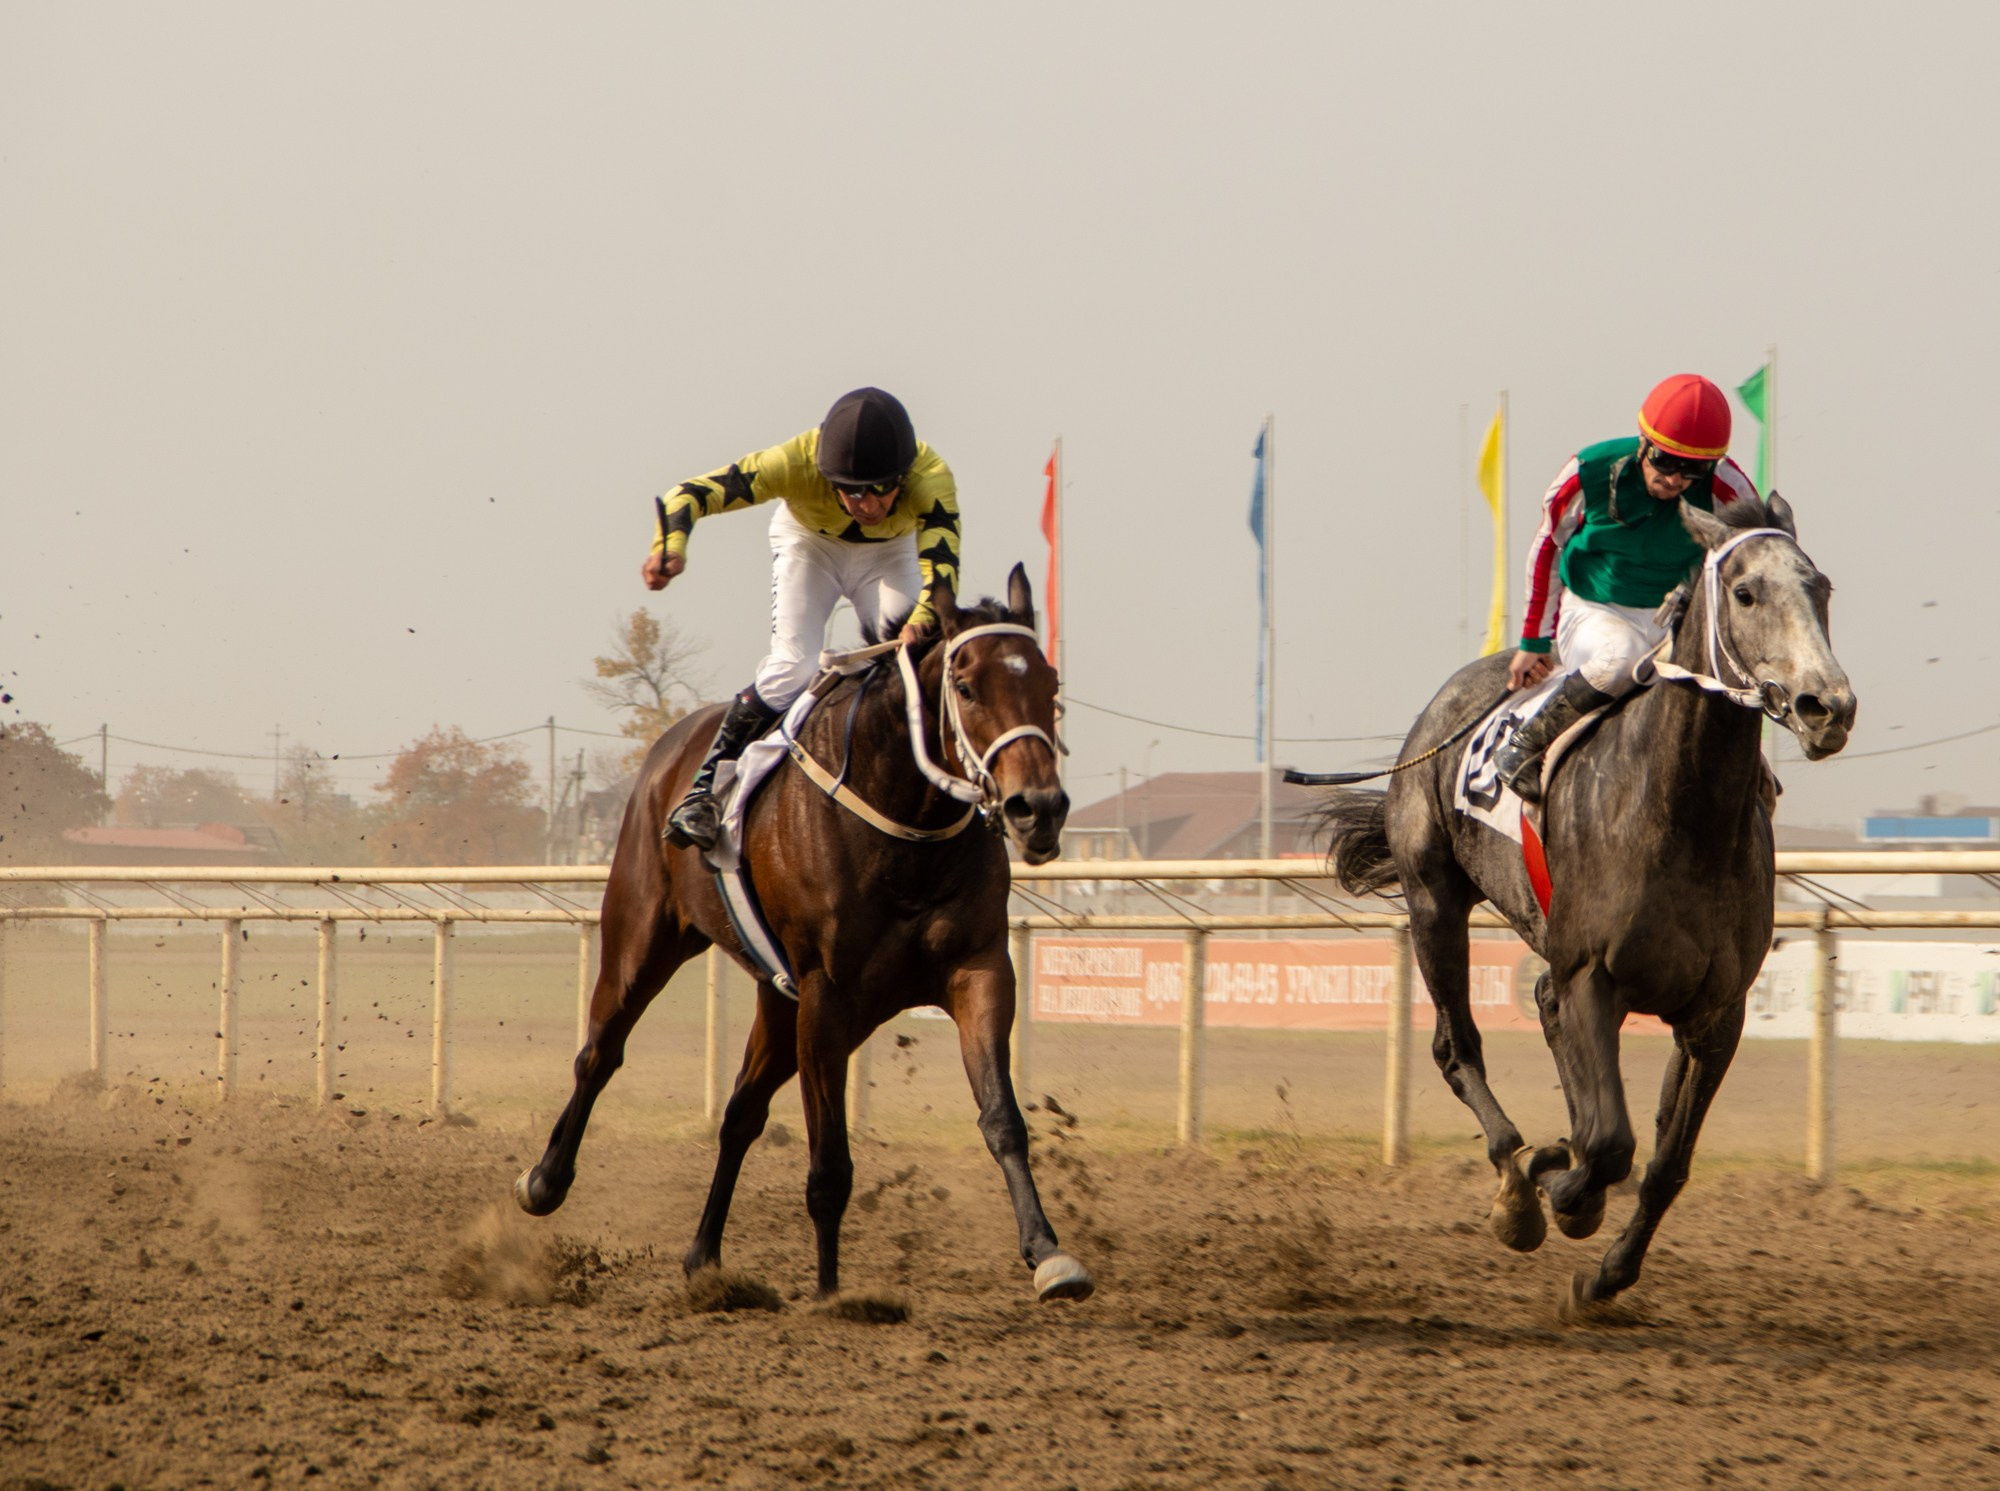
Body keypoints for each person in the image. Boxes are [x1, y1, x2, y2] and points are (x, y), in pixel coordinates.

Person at [643, 387, 962, 850]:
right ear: (827, 477)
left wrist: (924, 619)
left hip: (891, 555)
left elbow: (943, 572)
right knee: (793, 668)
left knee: (914, 663)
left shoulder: (932, 477)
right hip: (810, 545)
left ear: (905, 474)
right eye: (853, 491)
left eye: (883, 488)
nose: (869, 505)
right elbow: (688, 494)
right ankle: (702, 792)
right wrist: (670, 547)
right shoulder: (792, 463)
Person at [1493, 373, 1761, 802]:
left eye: (1693, 470)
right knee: (1623, 659)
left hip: (1675, 620)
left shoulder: (1730, 487)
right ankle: (1525, 744)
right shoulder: (1588, 471)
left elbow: (1759, 561)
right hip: (1595, 610)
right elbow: (1547, 548)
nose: (1675, 480)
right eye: (1665, 461)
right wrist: (1533, 641)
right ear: (1643, 443)